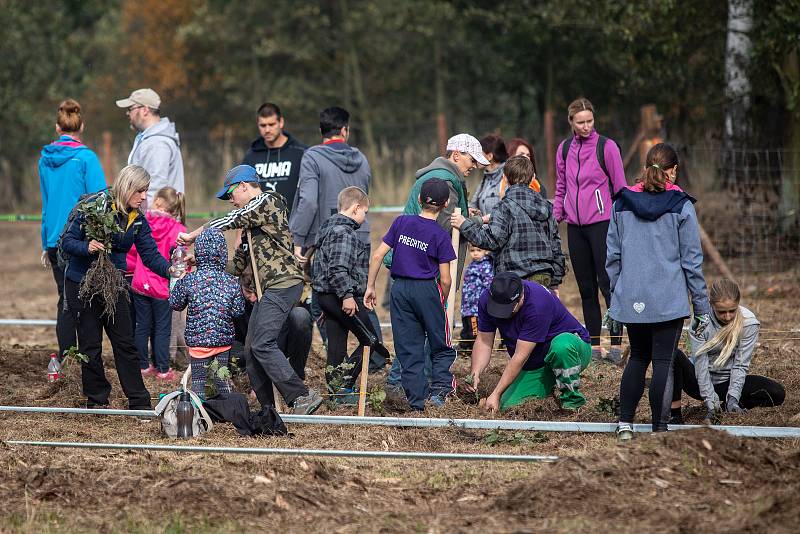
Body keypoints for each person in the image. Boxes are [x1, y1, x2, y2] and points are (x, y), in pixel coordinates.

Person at [178, 164, 322, 415]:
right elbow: (238, 265)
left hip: (284, 283)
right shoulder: (250, 228)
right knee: (251, 349)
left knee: (264, 343)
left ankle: (302, 395)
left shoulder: (269, 201)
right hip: (267, 289)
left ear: (244, 186)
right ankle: (268, 408)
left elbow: (230, 219)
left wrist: (195, 235)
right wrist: (202, 262)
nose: (231, 201)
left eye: (231, 194)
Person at [608, 143, 711, 440]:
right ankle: (659, 428)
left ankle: (625, 423)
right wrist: (702, 307)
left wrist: (617, 297)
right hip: (668, 298)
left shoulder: (621, 203)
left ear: (644, 168)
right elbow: (692, 262)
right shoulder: (681, 206)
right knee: (663, 361)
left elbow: (612, 257)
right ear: (673, 170)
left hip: (633, 297)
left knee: (638, 356)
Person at [383, 133, 488, 391]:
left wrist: (464, 213)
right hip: (425, 268)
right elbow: (442, 228)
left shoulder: (439, 176)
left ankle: (405, 383)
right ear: (456, 155)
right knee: (429, 330)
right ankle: (407, 384)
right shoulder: (445, 181)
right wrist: (477, 222)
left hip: (410, 262)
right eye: (472, 159)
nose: (474, 165)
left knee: (414, 331)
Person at [61, 165, 172, 410]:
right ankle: (97, 399)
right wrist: (87, 246)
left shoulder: (137, 220)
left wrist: (170, 270)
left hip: (115, 286)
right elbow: (68, 241)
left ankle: (139, 401)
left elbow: (151, 255)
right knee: (90, 345)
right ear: (127, 187)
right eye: (140, 191)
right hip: (83, 284)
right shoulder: (93, 208)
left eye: (146, 191)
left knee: (125, 342)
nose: (145, 197)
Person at [288, 106, 385, 371]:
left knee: (325, 297)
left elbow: (307, 200)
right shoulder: (362, 159)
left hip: (329, 235)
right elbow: (363, 195)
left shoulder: (313, 157)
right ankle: (372, 354)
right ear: (345, 131)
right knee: (358, 293)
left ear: (322, 131)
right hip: (360, 235)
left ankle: (342, 363)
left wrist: (298, 239)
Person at [364, 178, 457, 410]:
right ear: (445, 204)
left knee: (408, 347)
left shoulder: (401, 222)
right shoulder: (440, 235)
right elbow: (446, 279)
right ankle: (440, 392)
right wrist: (441, 299)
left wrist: (371, 287)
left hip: (400, 289)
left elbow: (377, 256)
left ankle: (416, 402)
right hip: (426, 289)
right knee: (439, 342)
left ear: (418, 199)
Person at [555, 97, 628, 363]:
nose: (586, 126)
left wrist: (621, 222)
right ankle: (595, 346)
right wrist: (556, 216)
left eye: (590, 121)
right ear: (571, 122)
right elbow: (561, 186)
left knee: (608, 285)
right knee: (586, 288)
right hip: (575, 227)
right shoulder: (564, 149)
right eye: (581, 122)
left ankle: (617, 344)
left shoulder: (606, 147)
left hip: (602, 223)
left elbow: (620, 188)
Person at [38, 98, 107, 358]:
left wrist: (46, 242)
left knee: (64, 302)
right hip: (81, 241)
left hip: (56, 240)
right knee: (86, 301)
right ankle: (87, 358)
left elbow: (46, 203)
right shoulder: (87, 158)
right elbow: (100, 201)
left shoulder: (44, 159)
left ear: (58, 128)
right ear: (82, 126)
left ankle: (68, 357)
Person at [467, 272, 592, 411]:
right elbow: (484, 341)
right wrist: (475, 373)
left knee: (561, 346)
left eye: (507, 309)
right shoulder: (488, 299)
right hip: (535, 363)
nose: (502, 314)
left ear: (520, 298)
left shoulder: (538, 304)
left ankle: (572, 403)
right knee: (506, 407)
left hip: (574, 350)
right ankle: (547, 386)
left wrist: (496, 393)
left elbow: (520, 356)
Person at [671, 279, 785, 424]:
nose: (728, 316)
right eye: (721, 312)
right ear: (711, 305)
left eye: (732, 311)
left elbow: (740, 365)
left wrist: (733, 398)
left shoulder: (748, 323)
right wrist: (711, 402)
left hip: (727, 382)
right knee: (674, 355)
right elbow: (700, 362)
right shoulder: (700, 321)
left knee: (777, 392)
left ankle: (728, 406)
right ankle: (674, 415)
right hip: (699, 382)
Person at [311, 187, 387, 399]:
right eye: (365, 212)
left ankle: (336, 391)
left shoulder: (327, 228)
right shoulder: (344, 233)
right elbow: (337, 268)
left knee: (336, 343)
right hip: (338, 296)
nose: (365, 217)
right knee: (371, 342)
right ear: (356, 208)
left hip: (325, 296)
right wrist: (347, 296)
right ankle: (344, 385)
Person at [452, 156, 565, 290]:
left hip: (513, 278)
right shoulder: (546, 207)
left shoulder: (504, 207)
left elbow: (492, 240)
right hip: (543, 277)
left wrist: (465, 224)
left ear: (504, 178)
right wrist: (555, 282)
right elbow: (556, 245)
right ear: (533, 177)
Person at [170, 228, 246, 400]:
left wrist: (177, 280)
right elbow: (238, 310)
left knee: (198, 382)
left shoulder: (189, 280)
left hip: (198, 342)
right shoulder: (231, 281)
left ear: (198, 252)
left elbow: (175, 304)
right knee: (222, 379)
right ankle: (229, 410)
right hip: (222, 341)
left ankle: (199, 415)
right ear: (223, 252)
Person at [131, 186, 186, 380]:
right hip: (162, 287)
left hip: (140, 284)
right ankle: (162, 369)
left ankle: (142, 366)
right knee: (162, 329)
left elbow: (133, 250)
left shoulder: (142, 221)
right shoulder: (178, 230)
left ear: (158, 202)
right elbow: (181, 259)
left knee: (142, 326)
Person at [116, 88, 185, 205]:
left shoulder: (157, 143)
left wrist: (145, 220)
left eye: (130, 109)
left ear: (145, 110)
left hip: (156, 220)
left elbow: (155, 188)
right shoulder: (149, 139)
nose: (127, 113)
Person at [242, 102, 308, 210]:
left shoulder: (301, 153)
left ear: (281, 122)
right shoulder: (251, 156)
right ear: (257, 124)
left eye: (271, 124)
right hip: (260, 224)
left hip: (292, 223)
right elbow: (243, 191)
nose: (267, 130)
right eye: (263, 125)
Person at [457, 245, 493, 352]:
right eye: (472, 251)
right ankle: (465, 346)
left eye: (479, 250)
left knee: (474, 330)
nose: (475, 253)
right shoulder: (472, 265)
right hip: (468, 306)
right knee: (466, 327)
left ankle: (473, 348)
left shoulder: (485, 266)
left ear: (486, 251)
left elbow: (489, 284)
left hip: (476, 308)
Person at [469, 134, 507, 216]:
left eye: (479, 153)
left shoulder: (508, 177)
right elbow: (473, 206)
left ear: (489, 156)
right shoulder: (486, 179)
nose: (475, 157)